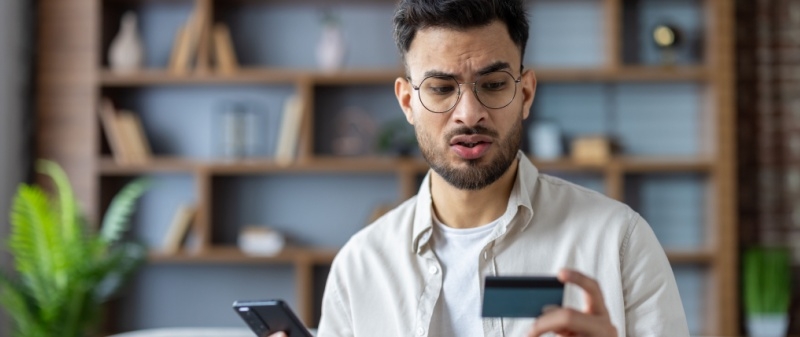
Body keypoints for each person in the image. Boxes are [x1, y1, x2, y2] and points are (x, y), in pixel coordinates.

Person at [272, 0, 689, 336]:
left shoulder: (620, 243)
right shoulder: (360, 266)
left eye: (492, 85)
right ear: (408, 103)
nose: (469, 114)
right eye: (441, 88)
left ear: (526, 94)